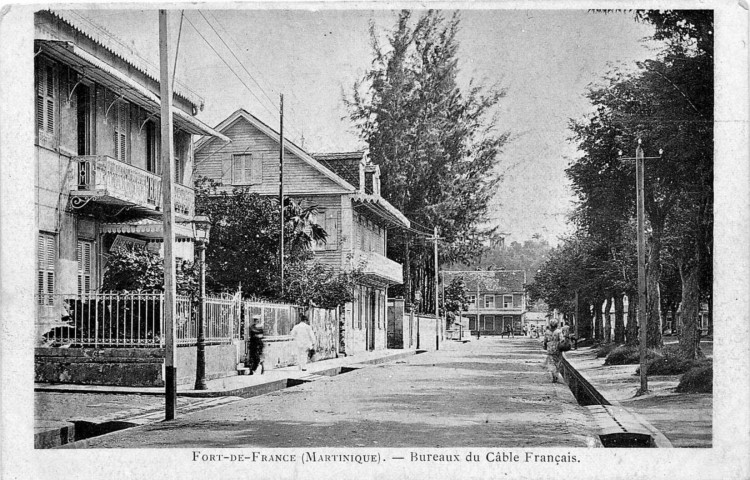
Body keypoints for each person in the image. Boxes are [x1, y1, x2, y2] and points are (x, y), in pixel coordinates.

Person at [543, 319, 564, 383]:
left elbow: (545, 340)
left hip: (550, 349)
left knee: (551, 363)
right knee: (557, 362)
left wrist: (545, 346)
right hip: (557, 349)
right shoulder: (558, 331)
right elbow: (562, 340)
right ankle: (556, 375)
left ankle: (553, 375)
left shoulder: (547, 332)